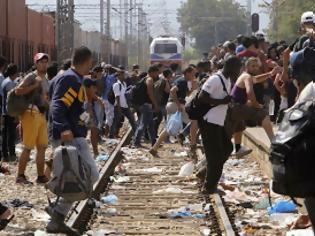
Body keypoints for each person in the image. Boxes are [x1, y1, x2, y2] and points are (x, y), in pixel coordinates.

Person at [46, 46, 99, 235]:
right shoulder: (70, 78)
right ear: (86, 61)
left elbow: (72, 106)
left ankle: (56, 219)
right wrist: (64, 127)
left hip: (73, 133)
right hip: (70, 136)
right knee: (90, 175)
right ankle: (57, 211)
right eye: (90, 63)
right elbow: (58, 104)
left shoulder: (70, 77)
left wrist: (86, 121)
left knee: (75, 176)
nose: (91, 66)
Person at [197, 56, 242, 194]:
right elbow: (201, 97)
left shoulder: (227, 80)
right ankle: (209, 187)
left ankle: (206, 171)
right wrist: (221, 101)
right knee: (214, 157)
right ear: (231, 67)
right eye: (238, 69)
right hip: (208, 121)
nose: (238, 72)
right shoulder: (215, 79)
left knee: (227, 147)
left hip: (218, 122)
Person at [230, 57, 278, 157]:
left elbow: (257, 79)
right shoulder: (247, 77)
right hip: (236, 107)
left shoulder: (246, 76)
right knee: (263, 113)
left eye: (257, 66)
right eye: (253, 66)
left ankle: (238, 149)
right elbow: (250, 92)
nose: (255, 68)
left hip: (233, 107)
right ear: (246, 67)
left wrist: (270, 74)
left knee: (239, 126)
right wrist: (256, 104)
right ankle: (274, 142)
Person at [15, 53, 50, 185]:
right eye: (41, 62)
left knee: (42, 146)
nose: (44, 64)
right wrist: (34, 86)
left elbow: (45, 97)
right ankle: (20, 176)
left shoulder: (45, 79)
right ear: (36, 63)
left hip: (41, 115)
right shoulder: (31, 76)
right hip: (30, 114)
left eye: (46, 61)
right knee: (28, 147)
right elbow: (18, 91)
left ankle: (40, 176)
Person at [167, 66, 199, 156]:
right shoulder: (182, 81)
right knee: (194, 121)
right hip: (175, 105)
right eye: (193, 73)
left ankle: (154, 148)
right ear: (187, 73)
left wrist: (193, 88)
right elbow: (172, 90)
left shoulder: (184, 81)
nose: (194, 75)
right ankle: (191, 142)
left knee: (168, 128)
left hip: (172, 105)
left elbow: (186, 94)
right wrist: (178, 105)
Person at [131, 65, 160, 148]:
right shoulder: (149, 79)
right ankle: (136, 142)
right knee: (143, 125)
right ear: (152, 72)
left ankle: (154, 142)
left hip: (145, 105)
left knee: (151, 125)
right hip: (146, 105)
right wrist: (155, 104)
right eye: (156, 73)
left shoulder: (144, 79)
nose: (157, 75)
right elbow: (150, 93)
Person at [109, 69, 136, 138]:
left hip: (125, 106)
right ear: (119, 76)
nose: (124, 76)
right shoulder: (116, 85)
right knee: (116, 121)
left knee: (132, 119)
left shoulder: (124, 84)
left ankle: (136, 134)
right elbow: (117, 96)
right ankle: (111, 135)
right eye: (123, 75)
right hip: (119, 106)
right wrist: (119, 107)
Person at [2, 64, 18, 162]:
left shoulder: (5, 81)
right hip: (10, 112)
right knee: (11, 135)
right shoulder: (10, 83)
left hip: (5, 111)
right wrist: (16, 114)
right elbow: (11, 101)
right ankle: (11, 154)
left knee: (5, 134)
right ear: (15, 73)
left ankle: (5, 155)